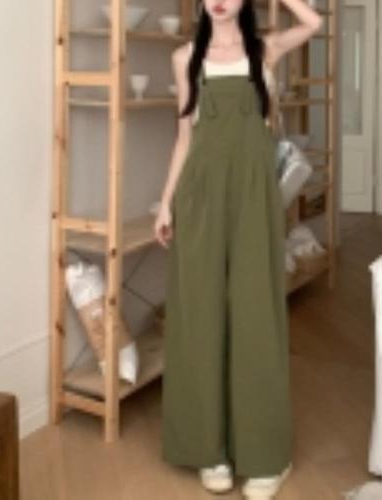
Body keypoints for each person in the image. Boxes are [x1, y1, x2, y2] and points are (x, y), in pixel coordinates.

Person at [154, 0, 322, 498]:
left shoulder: (265, 49)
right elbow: (184, 138)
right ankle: (209, 449)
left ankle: (267, 454)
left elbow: (312, 22)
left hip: (253, 197)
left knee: (255, 314)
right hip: (200, 196)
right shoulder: (185, 57)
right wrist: (166, 205)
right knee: (200, 314)